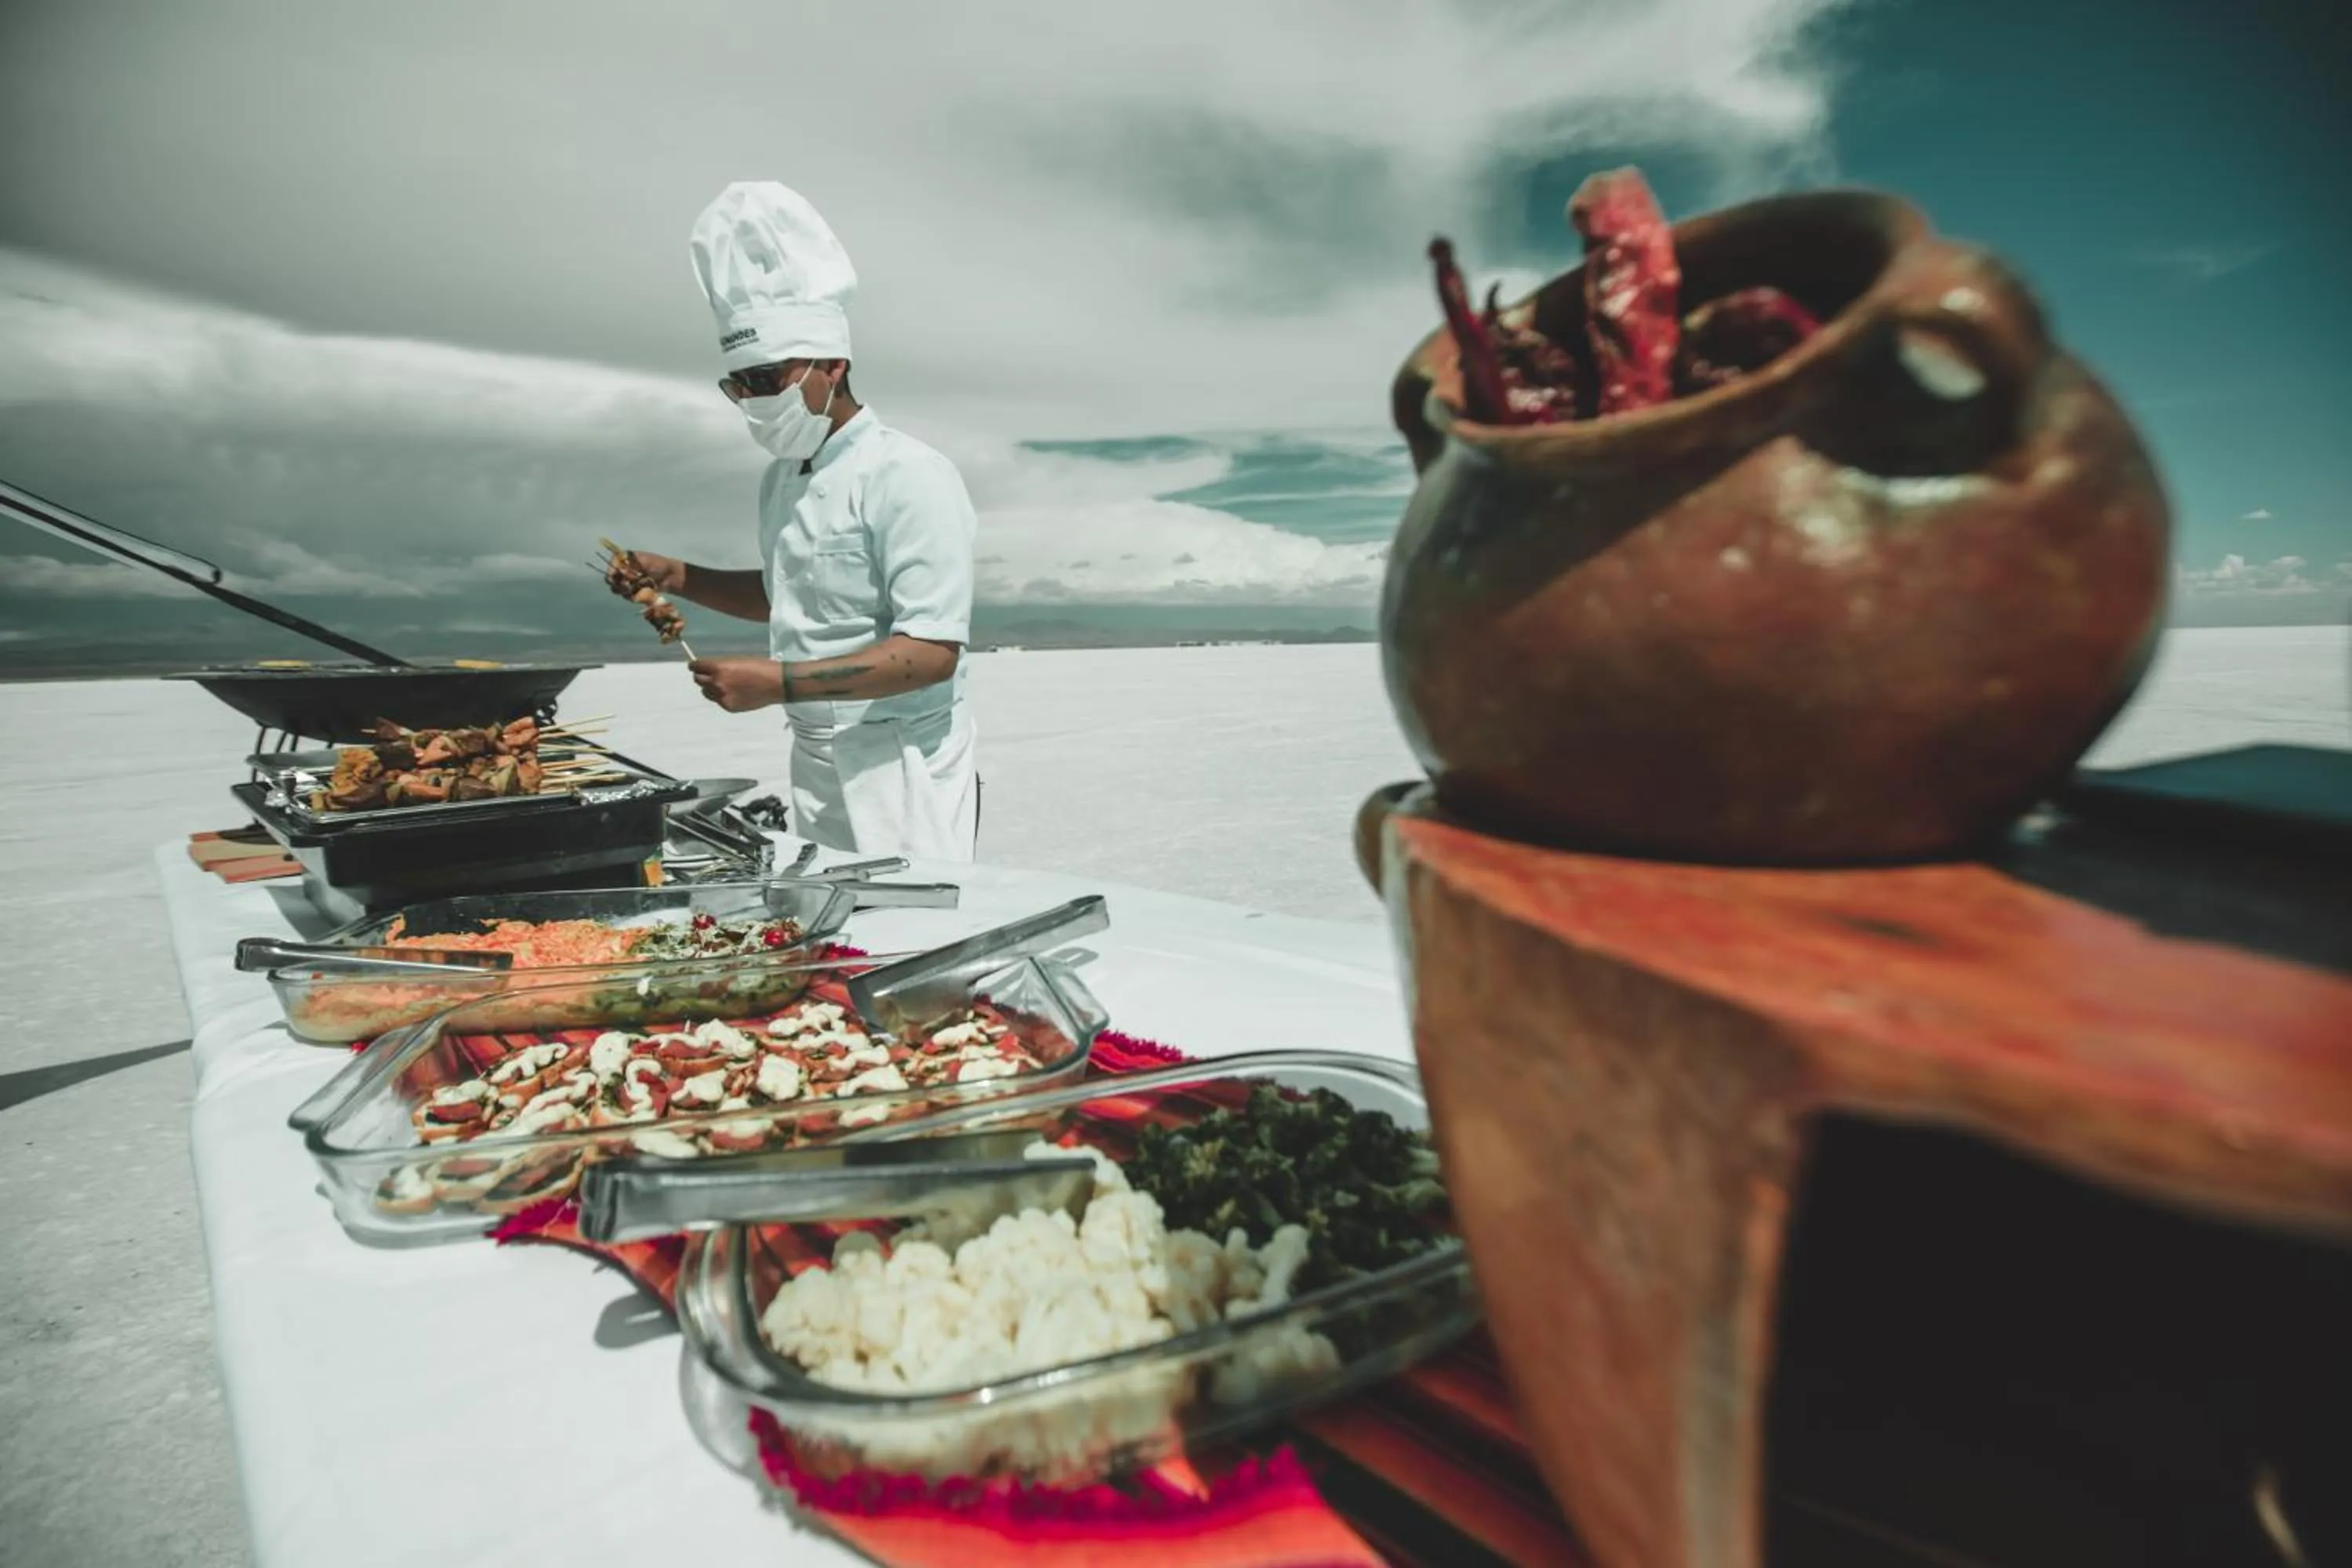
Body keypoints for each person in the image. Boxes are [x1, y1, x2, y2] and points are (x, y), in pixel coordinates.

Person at [608, 181, 981, 861]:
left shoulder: (909, 474)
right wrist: (677, 576)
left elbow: (931, 651)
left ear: (832, 366)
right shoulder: (784, 477)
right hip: (815, 757)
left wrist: (777, 683)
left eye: (766, 379)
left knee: (918, 935)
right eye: (738, 384)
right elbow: (789, 592)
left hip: (903, 761)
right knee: (840, 938)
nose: (750, 398)